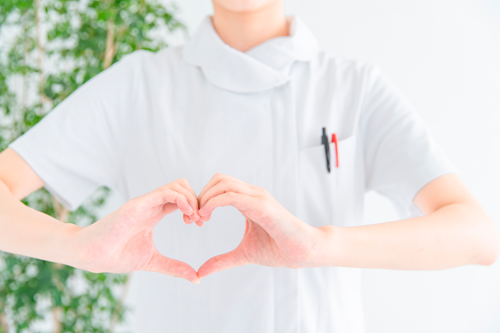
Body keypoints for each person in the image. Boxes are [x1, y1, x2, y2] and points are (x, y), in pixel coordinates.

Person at [0, 0, 498, 332]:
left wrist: (320, 244)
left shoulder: (354, 88)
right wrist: (75, 245)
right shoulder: (139, 84)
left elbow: (477, 235)